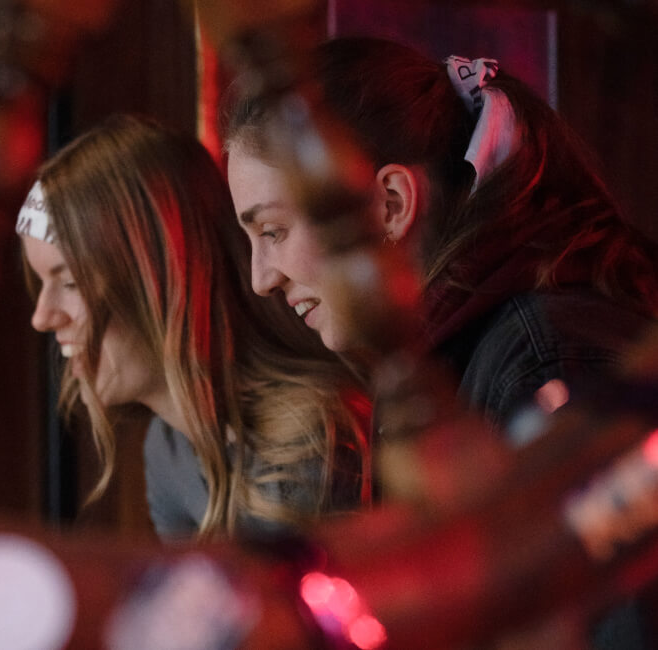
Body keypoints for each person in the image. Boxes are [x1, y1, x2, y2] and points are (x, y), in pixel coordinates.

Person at [224, 35, 658, 648]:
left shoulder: (549, 356)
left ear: (392, 205)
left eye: (272, 230)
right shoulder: (471, 348)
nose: (260, 277)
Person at [16, 113, 371, 542]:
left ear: (164, 280)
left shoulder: (307, 447)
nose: (42, 316)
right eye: (42, 284)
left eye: (71, 282)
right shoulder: (167, 448)